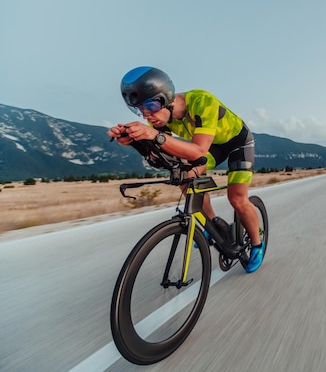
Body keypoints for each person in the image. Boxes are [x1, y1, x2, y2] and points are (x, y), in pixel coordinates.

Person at [107, 66, 264, 273]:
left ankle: (256, 244)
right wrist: (134, 141)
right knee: (183, 176)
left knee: (236, 198)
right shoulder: (159, 117)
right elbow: (161, 158)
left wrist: (152, 135)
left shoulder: (202, 102)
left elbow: (197, 150)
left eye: (150, 106)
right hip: (212, 146)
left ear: (167, 98)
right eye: (139, 110)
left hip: (237, 143)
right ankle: (212, 224)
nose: (147, 115)